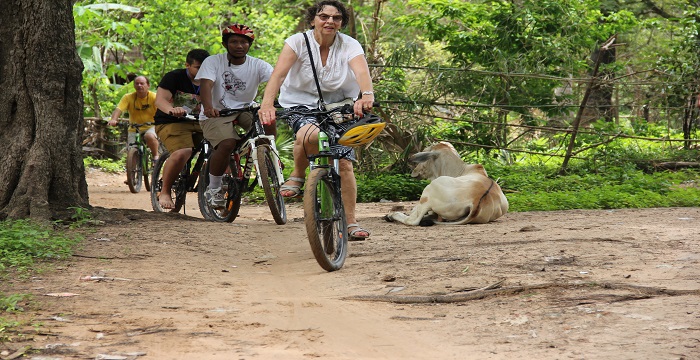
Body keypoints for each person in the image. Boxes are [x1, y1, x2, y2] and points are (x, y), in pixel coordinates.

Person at [258, 0, 375, 241]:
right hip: (299, 104)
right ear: (313, 20)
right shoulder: (297, 42)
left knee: (344, 163)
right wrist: (267, 103)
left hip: (340, 105)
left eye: (336, 18)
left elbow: (362, 72)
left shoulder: (349, 44)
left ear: (341, 23)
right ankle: (299, 174)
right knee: (309, 135)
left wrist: (366, 95)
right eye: (324, 16)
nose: (330, 21)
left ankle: (351, 221)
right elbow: (278, 75)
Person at [196, 23, 274, 209]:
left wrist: (271, 102)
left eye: (244, 42)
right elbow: (206, 85)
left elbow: (276, 80)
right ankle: (213, 189)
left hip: (246, 109)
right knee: (227, 143)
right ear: (225, 44)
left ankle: (268, 157)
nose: (239, 46)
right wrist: (208, 107)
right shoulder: (213, 62)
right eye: (234, 42)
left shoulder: (258, 64)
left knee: (268, 118)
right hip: (216, 112)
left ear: (249, 45)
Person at [153, 49, 211, 210]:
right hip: (172, 122)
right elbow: (160, 100)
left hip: (202, 123)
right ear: (187, 65)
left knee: (222, 147)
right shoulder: (174, 77)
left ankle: (220, 189)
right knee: (182, 152)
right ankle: (164, 190)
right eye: (198, 67)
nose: (202, 72)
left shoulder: (212, 79)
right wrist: (172, 109)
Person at [108, 75, 159, 167]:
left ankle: (155, 156)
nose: (139, 85)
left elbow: (162, 109)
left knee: (149, 136)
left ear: (148, 85)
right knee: (132, 151)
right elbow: (119, 109)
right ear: (134, 86)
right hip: (134, 127)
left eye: (142, 83)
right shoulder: (128, 97)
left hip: (151, 126)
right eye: (137, 83)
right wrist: (114, 119)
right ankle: (131, 176)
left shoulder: (154, 97)